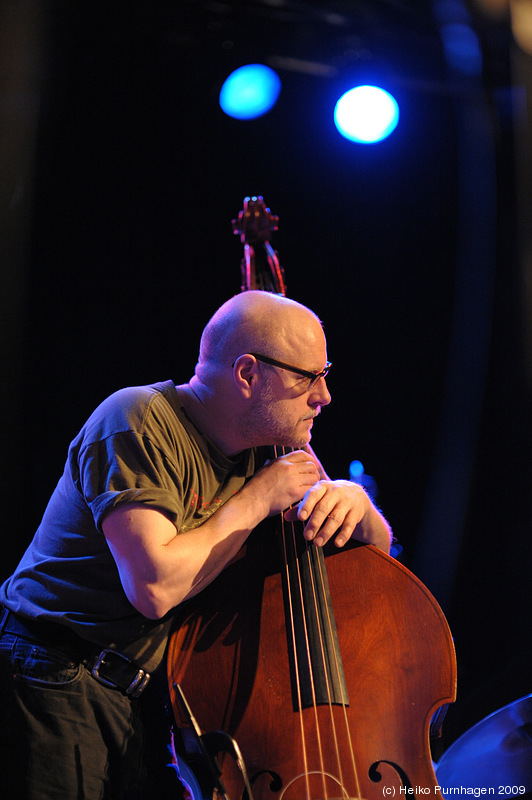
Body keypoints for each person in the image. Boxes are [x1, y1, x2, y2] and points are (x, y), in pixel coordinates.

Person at [0, 290, 392, 799]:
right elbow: (155, 587)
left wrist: (357, 506)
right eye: (307, 378)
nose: (324, 396)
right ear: (248, 374)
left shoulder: (267, 452)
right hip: (53, 674)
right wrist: (258, 499)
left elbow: (373, 566)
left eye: (325, 373)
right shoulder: (136, 419)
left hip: (143, 703)